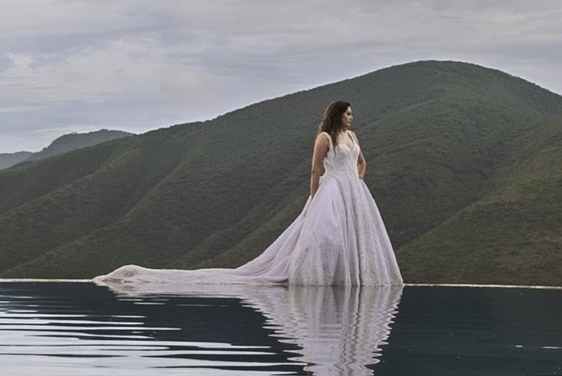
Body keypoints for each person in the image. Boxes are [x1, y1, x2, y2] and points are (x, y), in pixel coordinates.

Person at [98, 98, 402, 286]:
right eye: (348, 113)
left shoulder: (352, 135)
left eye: (352, 114)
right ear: (338, 115)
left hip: (353, 192)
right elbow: (313, 170)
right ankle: (319, 279)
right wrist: (313, 199)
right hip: (331, 189)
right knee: (326, 236)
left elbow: (362, 161)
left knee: (355, 238)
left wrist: (357, 180)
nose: (352, 117)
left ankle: (352, 278)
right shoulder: (324, 137)